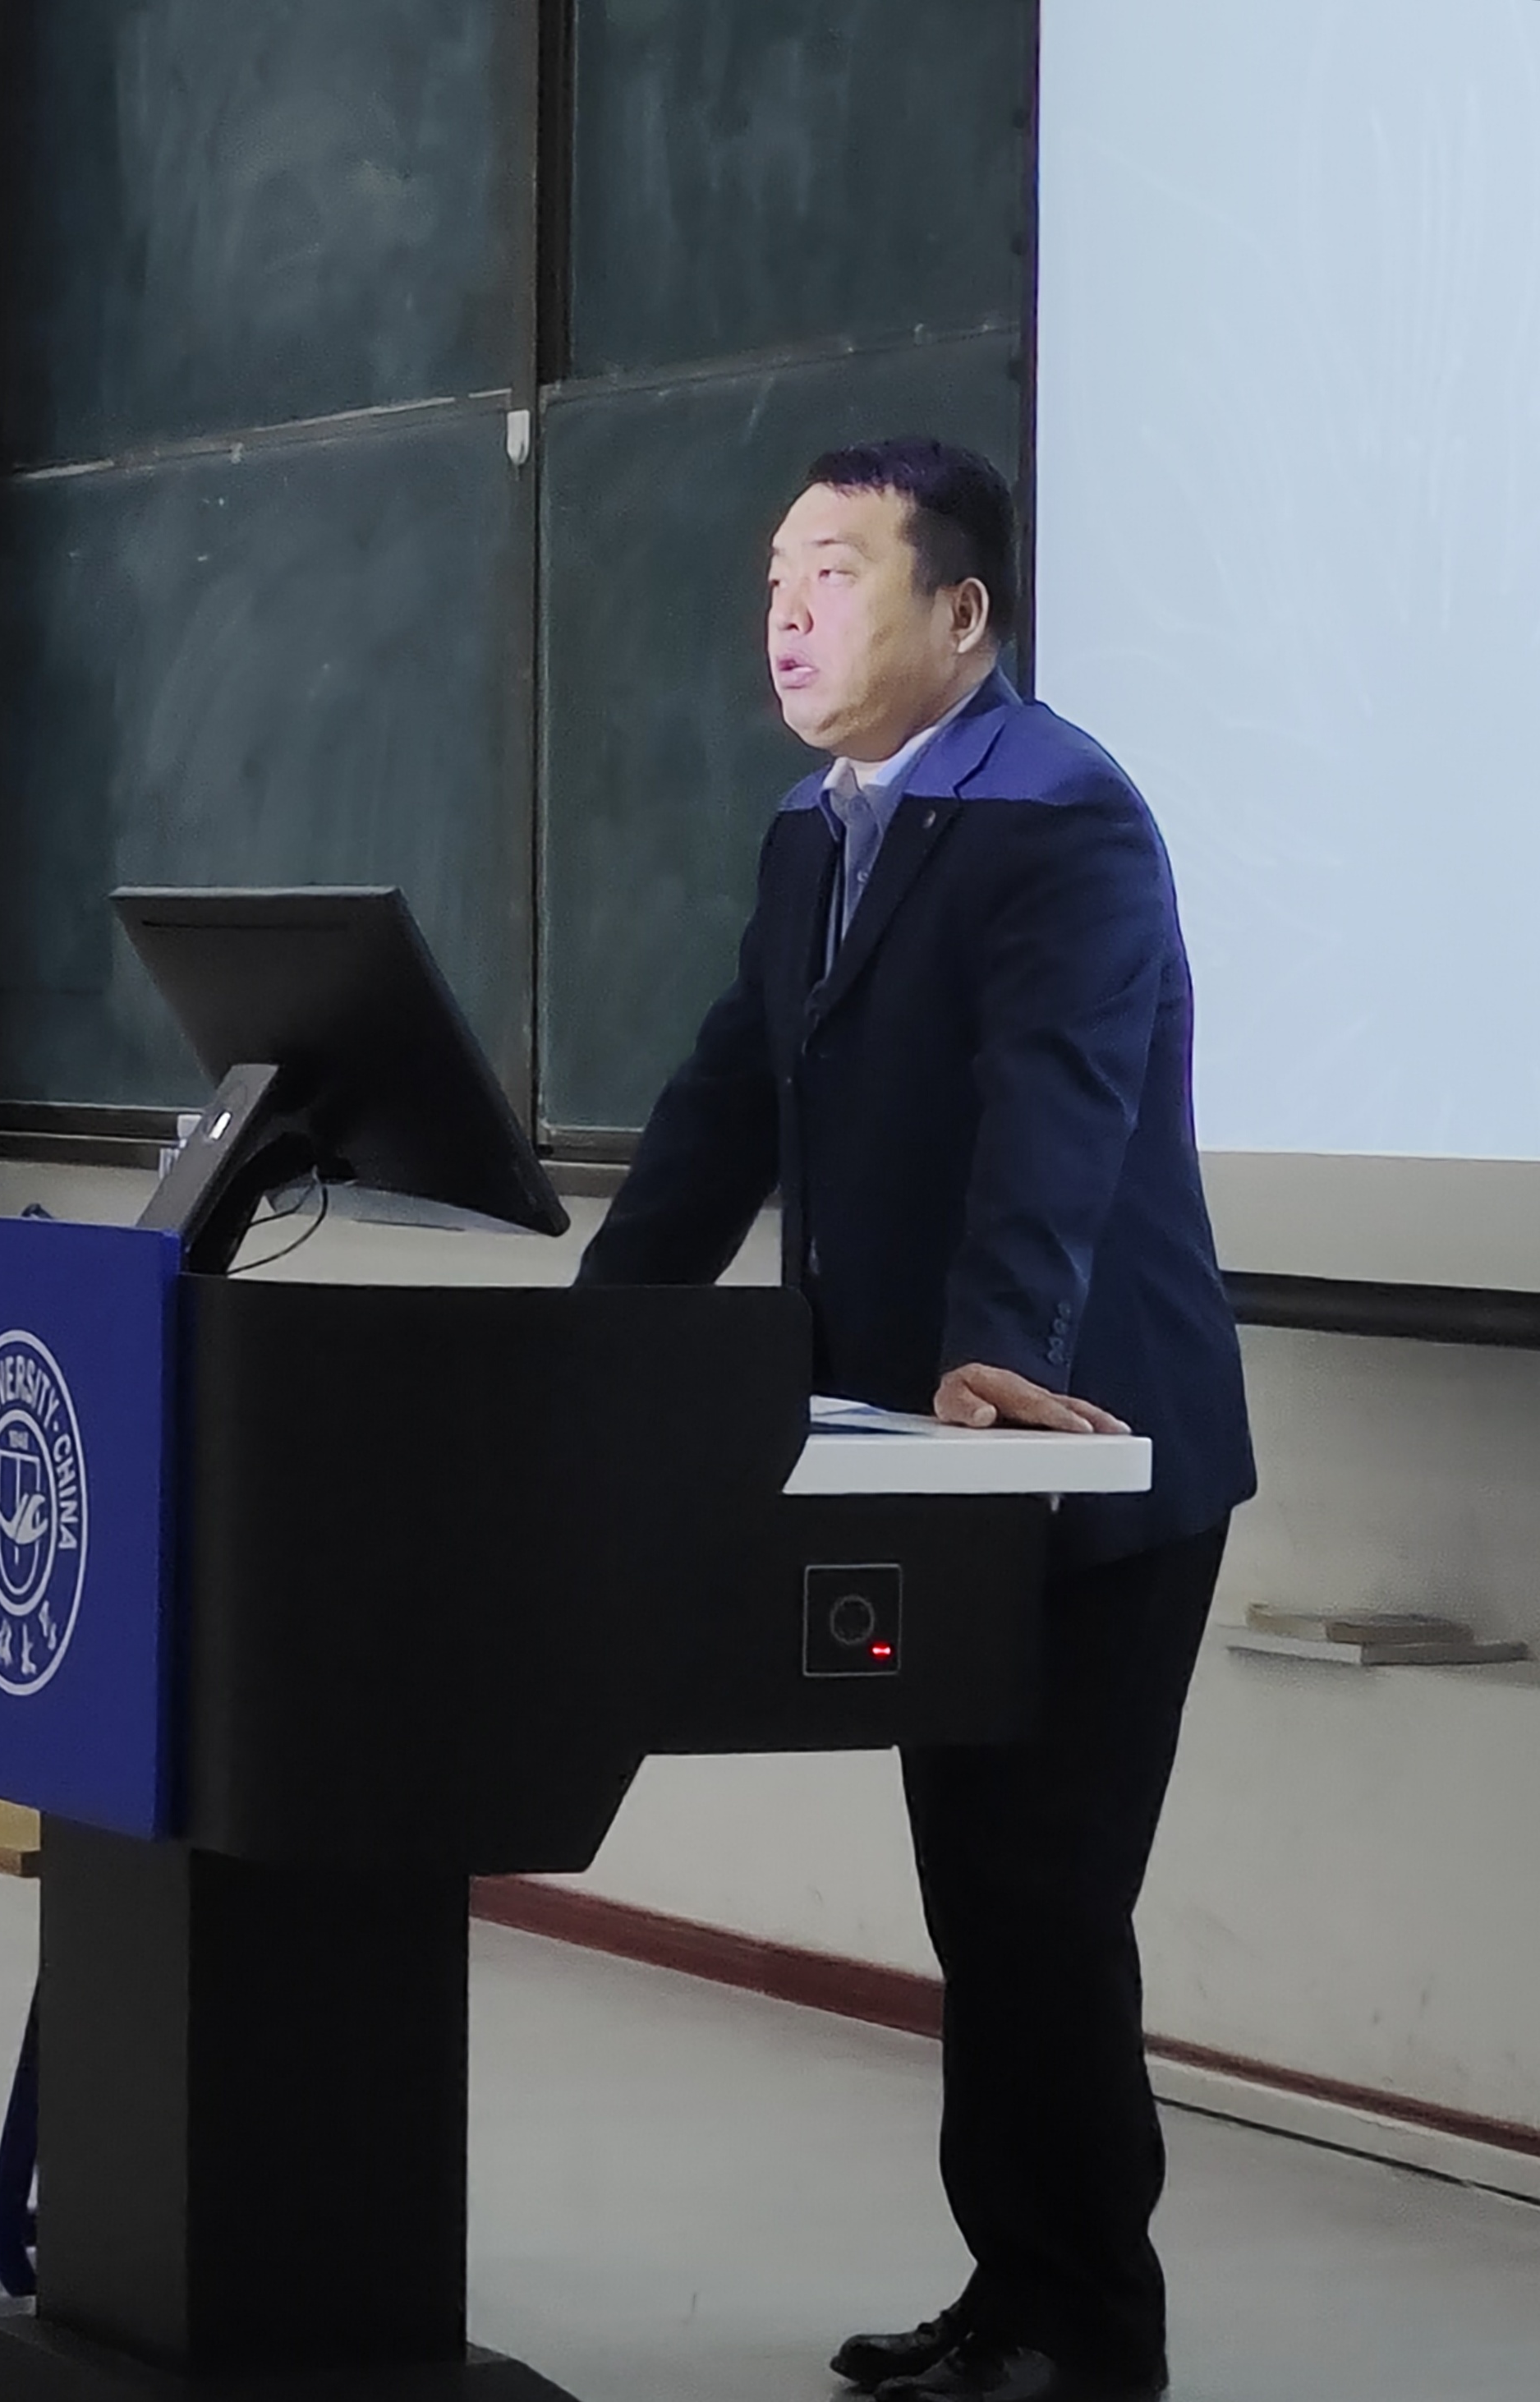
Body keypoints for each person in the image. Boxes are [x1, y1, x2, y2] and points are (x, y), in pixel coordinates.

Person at [580, 439, 1256, 2402]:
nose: (785, 611)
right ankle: (1009, 2289)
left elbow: (1060, 1104)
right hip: (925, 1455)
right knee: (977, 1892)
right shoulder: (818, 831)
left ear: (960, 611)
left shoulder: (1061, 814)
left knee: (1042, 1899)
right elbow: (730, 1090)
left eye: (835, 571)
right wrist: (599, 1326)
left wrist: (989, 1361)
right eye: (771, 576)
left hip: (1075, 1442)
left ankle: (1086, 2332)